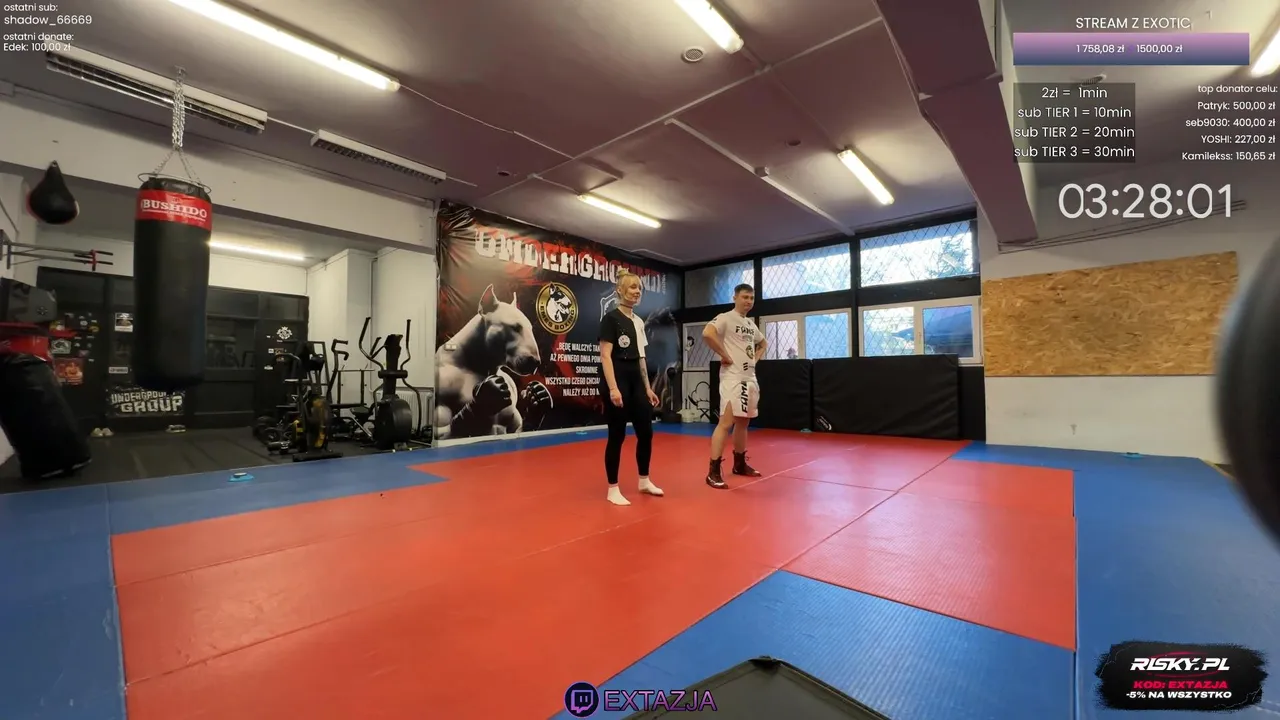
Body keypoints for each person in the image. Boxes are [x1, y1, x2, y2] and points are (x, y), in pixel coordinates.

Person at [598, 272, 664, 505]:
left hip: (637, 381)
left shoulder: (638, 322)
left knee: (646, 432)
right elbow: (605, 356)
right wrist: (613, 388)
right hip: (618, 378)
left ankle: (644, 480)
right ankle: (612, 489)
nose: (637, 292)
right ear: (620, 290)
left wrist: (648, 388)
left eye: (639, 288)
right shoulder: (610, 319)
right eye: (633, 287)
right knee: (617, 435)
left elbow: (641, 358)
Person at [702, 283, 765, 488]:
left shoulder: (750, 324)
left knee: (743, 422)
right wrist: (724, 355)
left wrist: (755, 359)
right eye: (745, 297)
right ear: (735, 298)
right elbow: (708, 333)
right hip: (732, 377)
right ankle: (713, 471)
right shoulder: (725, 317)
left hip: (749, 377)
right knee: (726, 422)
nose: (749, 301)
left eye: (751, 298)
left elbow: (763, 343)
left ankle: (739, 464)